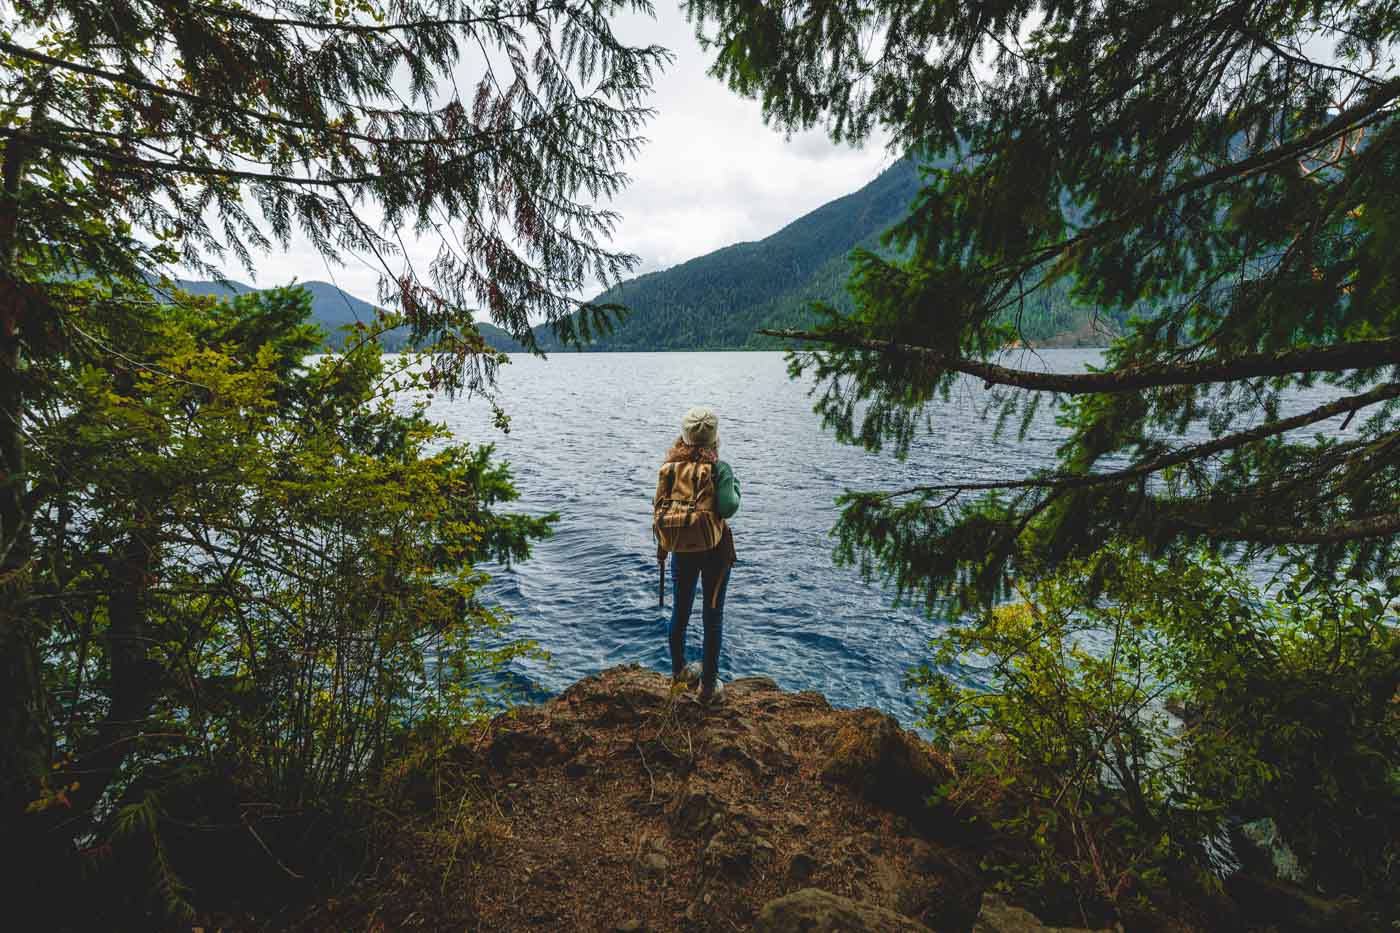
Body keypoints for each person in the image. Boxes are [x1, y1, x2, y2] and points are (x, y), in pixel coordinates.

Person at [655, 406, 740, 706]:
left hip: (680, 547)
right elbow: (728, 507)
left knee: (680, 613)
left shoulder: (670, 467)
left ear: (684, 436)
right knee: (712, 619)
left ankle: (679, 672)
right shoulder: (720, 469)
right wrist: (735, 487)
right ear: (715, 438)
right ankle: (707, 689)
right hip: (714, 551)